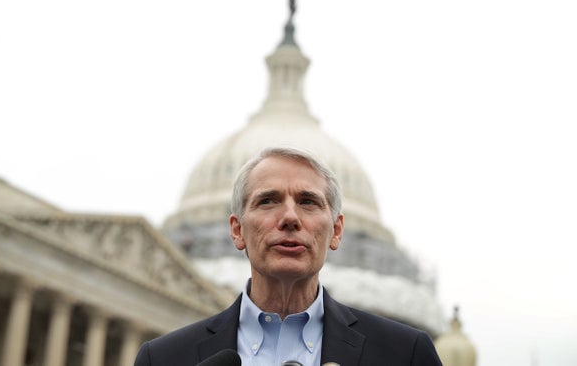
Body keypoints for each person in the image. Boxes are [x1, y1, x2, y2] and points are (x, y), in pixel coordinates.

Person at [135, 147, 442, 366]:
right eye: (268, 201)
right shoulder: (163, 359)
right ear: (237, 230)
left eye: (308, 202)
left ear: (336, 231)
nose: (290, 217)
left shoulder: (404, 354)